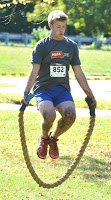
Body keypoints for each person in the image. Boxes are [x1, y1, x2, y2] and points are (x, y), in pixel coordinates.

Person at [21, 10, 96, 160]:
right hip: (43, 89)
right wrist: (26, 92)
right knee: (49, 115)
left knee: (70, 115)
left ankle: (53, 139)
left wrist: (89, 93)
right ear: (50, 26)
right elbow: (34, 71)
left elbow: (78, 72)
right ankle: (43, 138)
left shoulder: (71, 46)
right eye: (58, 27)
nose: (61, 30)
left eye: (63, 26)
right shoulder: (42, 45)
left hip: (62, 90)